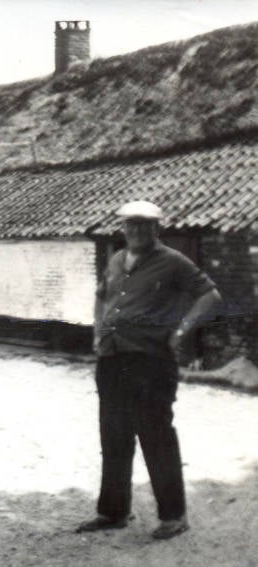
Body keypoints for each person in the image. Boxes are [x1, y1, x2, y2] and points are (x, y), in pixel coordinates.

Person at [77, 200, 223, 540]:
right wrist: (98, 330)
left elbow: (210, 296)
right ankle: (113, 512)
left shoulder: (173, 262)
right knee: (114, 436)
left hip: (151, 361)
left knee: (155, 436)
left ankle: (174, 516)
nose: (137, 231)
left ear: (157, 228)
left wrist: (182, 330)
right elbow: (101, 297)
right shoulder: (116, 259)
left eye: (145, 225)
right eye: (131, 225)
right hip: (112, 359)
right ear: (123, 228)